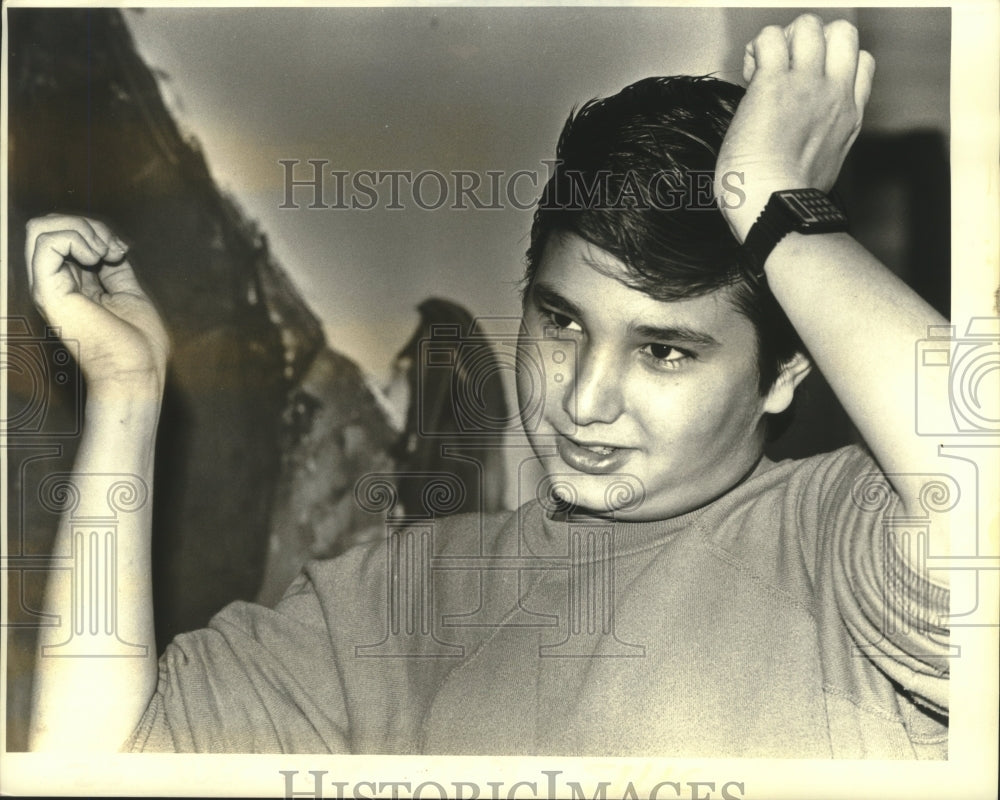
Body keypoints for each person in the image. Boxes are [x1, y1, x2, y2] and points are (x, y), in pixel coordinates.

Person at [26, 15, 950, 757]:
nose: (584, 399)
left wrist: (773, 198)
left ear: (784, 373)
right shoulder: (396, 597)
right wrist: (125, 394)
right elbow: (86, 760)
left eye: (665, 352)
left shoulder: (842, 538)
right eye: (561, 322)